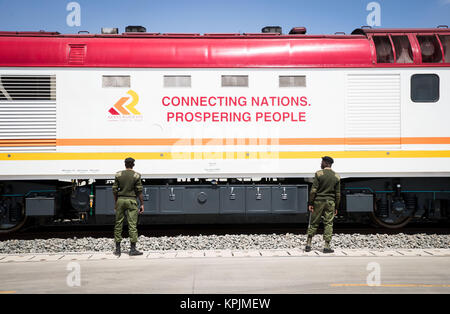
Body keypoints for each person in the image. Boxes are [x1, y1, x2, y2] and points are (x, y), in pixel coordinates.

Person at [305, 156, 340, 253]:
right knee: (328, 223)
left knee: (314, 222)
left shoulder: (319, 174)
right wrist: (336, 207)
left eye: (322, 162)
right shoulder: (336, 176)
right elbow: (338, 194)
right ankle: (326, 246)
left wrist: (310, 203)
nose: (321, 164)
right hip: (330, 202)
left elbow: (313, 190)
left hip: (318, 201)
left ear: (326, 163)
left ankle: (308, 244)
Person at [112, 157, 145, 256]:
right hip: (131, 201)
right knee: (132, 225)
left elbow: (114, 190)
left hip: (120, 200)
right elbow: (139, 191)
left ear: (125, 164)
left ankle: (118, 249)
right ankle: (133, 249)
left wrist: (116, 202)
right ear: (133, 165)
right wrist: (142, 203)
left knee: (118, 224)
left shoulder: (118, 174)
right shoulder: (136, 175)